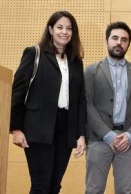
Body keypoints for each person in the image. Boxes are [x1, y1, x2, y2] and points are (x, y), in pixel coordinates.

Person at [10, 10, 86, 194]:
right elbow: (18, 93)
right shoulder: (34, 53)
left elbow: (79, 100)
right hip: (38, 128)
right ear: (50, 29)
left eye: (69, 28)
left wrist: (81, 134)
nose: (64, 32)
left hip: (65, 127)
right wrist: (16, 129)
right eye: (59, 27)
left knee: (54, 186)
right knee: (41, 185)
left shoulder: (76, 61)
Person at [84, 21, 131, 194]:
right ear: (107, 40)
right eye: (115, 38)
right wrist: (107, 135)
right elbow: (87, 105)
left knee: (126, 191)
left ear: (128, 44)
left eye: (124, 39)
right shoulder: (91, 71)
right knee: (94, 190)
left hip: (128, 142)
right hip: (99, 139)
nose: (119, 42)